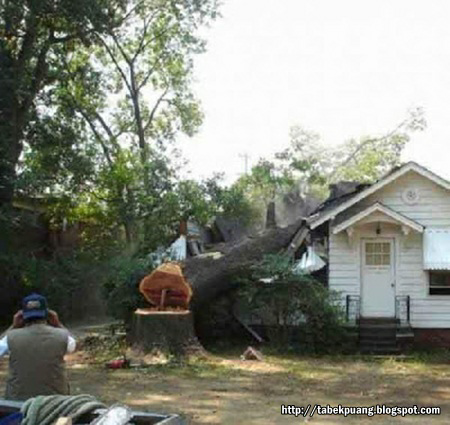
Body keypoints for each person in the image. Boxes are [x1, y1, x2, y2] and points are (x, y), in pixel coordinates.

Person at [0, 293, 76, 400]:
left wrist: (13, 326)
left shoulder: (11, 337)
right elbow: (73, 346)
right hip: (56, 401)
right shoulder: (62, 335)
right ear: (48, 315)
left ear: (22, 316)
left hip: (18, 401)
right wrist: (58, 324)